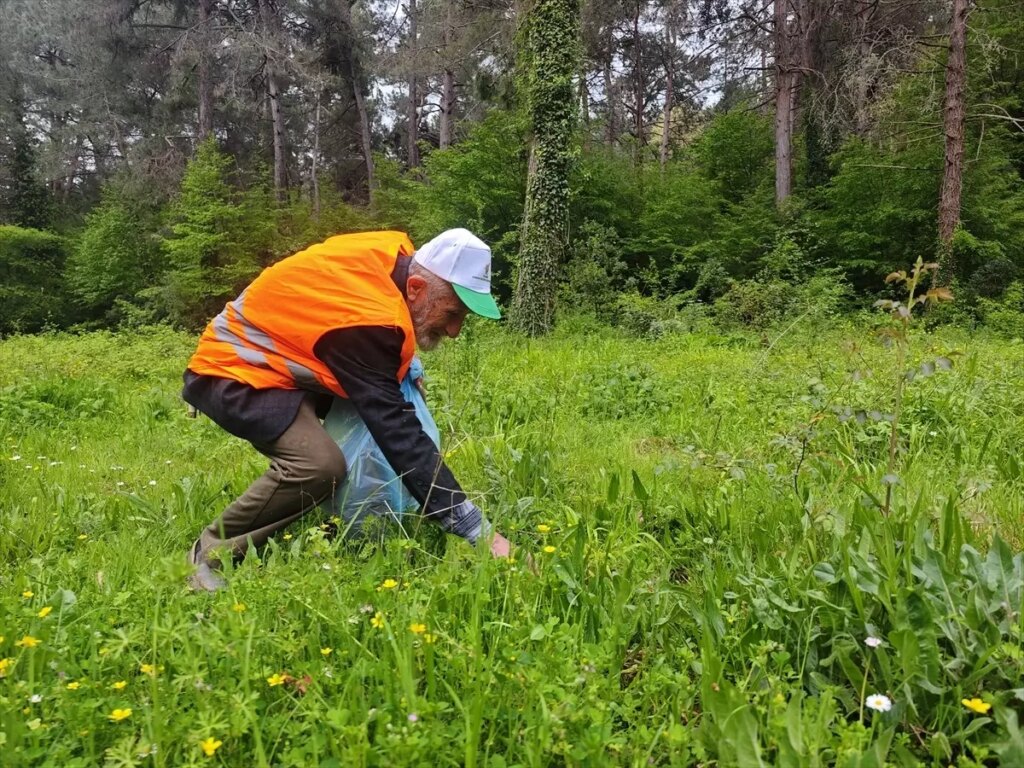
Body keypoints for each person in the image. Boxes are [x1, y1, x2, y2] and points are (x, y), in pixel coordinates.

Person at [181, 228, 511, 591]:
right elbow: (397, 431)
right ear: (416, 287)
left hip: (287, 362)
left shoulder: (395, 260)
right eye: (452, 313)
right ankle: (210, 553)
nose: (455, 330)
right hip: (234, 371)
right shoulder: (367, 320)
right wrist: (476, 530)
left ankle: (339, 519)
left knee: (370, 414)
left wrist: (404, 369)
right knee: (318, 466)